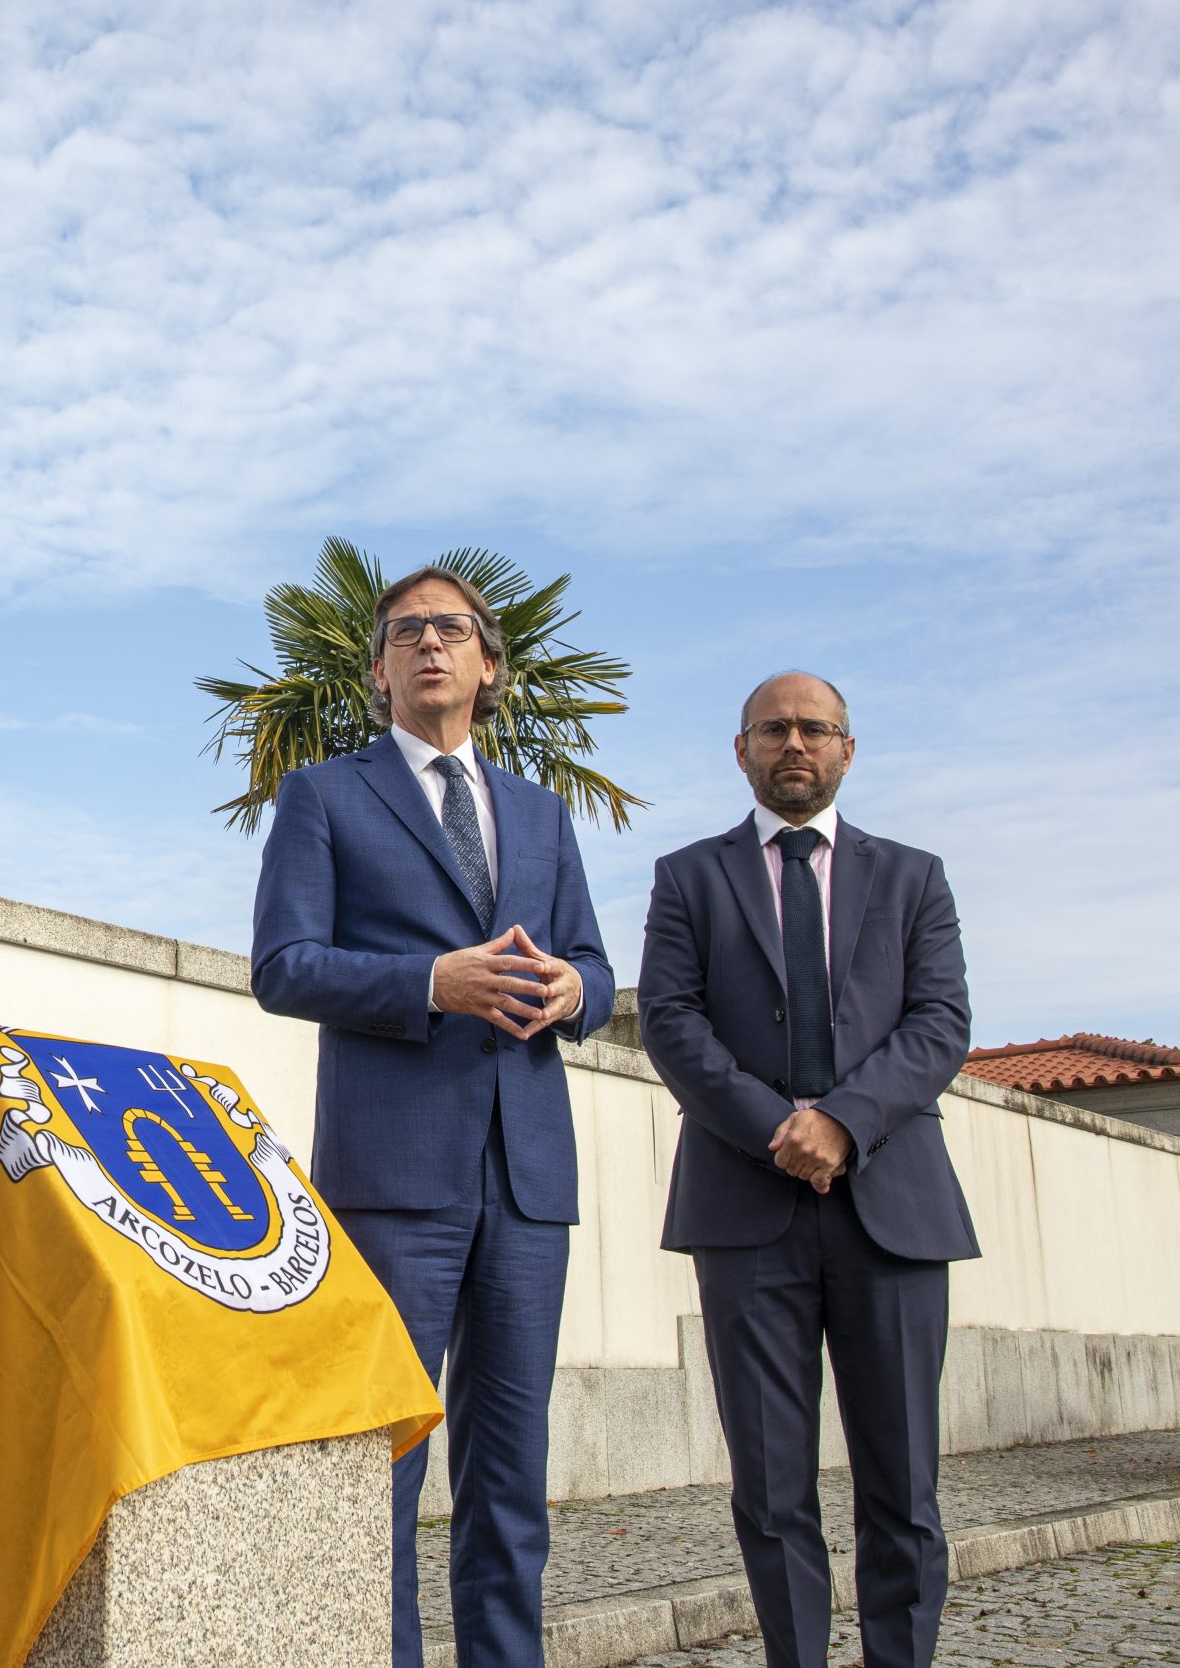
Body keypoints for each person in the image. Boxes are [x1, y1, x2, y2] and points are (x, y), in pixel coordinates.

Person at [251, 564, 614, 1668]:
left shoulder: (543, 815)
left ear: (487, 663)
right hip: (392, 1179)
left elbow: (595, 964)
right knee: (382, 1471)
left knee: (511, 1477)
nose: (429, 646)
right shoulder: (323, 796)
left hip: (526, 1179)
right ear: (377, 669)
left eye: (450, 629)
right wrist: (427, 984)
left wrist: (573, 995)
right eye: (405, 631)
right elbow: (283, 966)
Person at [638, 670, 978, 1668]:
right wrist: (777, 1129)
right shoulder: (687, 877)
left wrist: (842, 1123)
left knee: (902, 1485)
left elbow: (940, 1023)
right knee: (771, 1489)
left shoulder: (913, 878)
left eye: (815, 729)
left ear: (846, 750)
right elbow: (669, 1020)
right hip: (744, 1211)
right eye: (774, 728)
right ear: (741, 750)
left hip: (895, 1211)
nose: (795, 743)